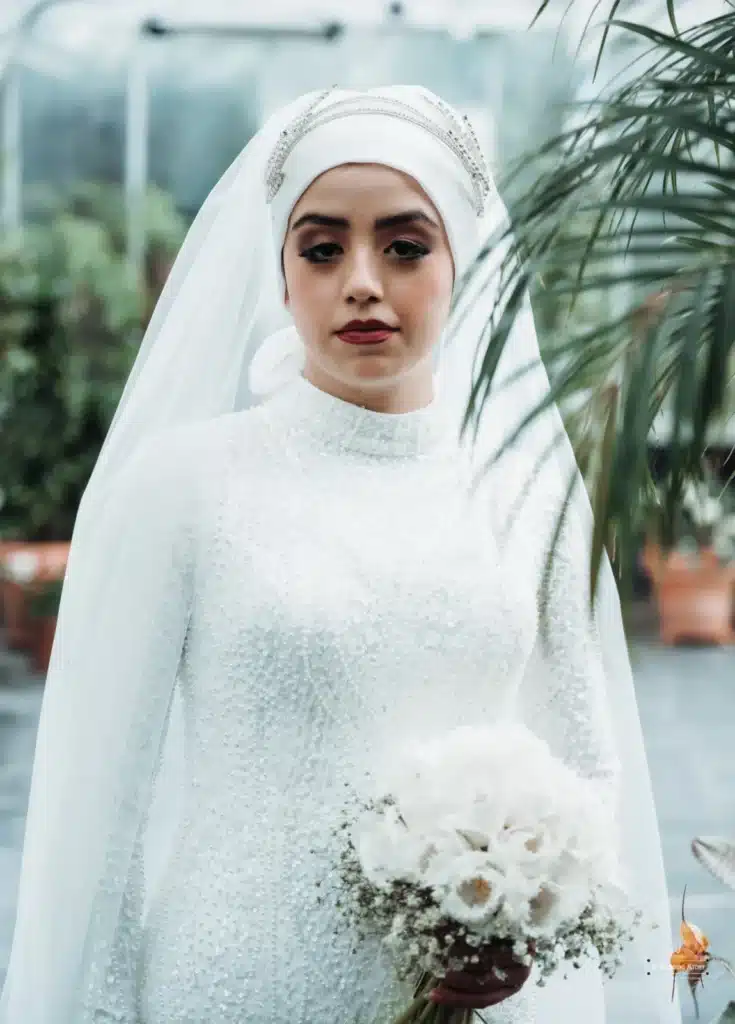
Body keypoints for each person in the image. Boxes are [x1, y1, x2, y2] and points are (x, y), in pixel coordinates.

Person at [0, 86, 680, 1024]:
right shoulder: (183, 486)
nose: (362, 280)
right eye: (322, 249)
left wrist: (525, 924)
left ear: (464, 264)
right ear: (280, 276)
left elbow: (587, 768)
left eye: (404, 246)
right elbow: (104, 804)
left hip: (483, 1001)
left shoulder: (531, 490)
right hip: (238, 986)